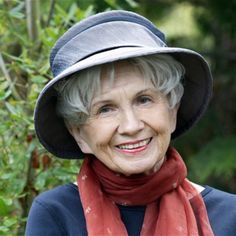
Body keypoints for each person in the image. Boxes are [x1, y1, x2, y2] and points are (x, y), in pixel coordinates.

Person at [26, 10, 236, 236]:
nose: (131, 126)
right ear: (79, 134)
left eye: (144, 100)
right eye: (105, 109)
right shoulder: (56, 215)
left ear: (172, 111)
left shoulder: (229, 215)